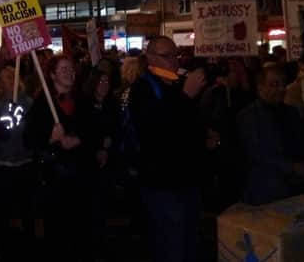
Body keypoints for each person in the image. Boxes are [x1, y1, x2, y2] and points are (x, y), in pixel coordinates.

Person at [129, 36, 207, 262]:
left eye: (176, 55)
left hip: (186, 180)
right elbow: (155, 130)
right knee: (170, 246)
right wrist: (186, 96)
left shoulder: (174, 83)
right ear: (151, 58)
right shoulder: (142, 89)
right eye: (167, 56)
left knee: (189, 243)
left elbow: (184, 125)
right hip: (162, 185)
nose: (174, 61)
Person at [24, 55, 91, 262]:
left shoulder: (82, 100)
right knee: (57, 233)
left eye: (71, 69)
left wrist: (79, 139)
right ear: (52, 75)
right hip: (54, 180)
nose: (69, 72)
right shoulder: (42, 105)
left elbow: (94, 130)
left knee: (81, 231)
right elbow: (29, 141)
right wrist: (50, 138)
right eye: (63, 69)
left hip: (80, 177)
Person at [237, 65, 304, 205]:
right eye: (274, 85)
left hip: (294, 187)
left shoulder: (291, 112)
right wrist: (291, 167)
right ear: (260, 87)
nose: (281, 89)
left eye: (283, 84)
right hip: (265, 189)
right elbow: (256, 152)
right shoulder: (248, 116)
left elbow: (302, 141)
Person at [0, 66, 35, 260]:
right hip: (5, 163)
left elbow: (32, 131)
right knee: (3, 209)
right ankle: (4, 246)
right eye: (5, 78)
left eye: (13, 78)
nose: (10, 81)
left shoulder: (28, 102)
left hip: (25, 160)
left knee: (26, 208)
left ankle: (30, 245)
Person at [199, 58, 255, 211]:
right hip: (223, 152)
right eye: (236, 73)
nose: (239, 76)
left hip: (237, 151)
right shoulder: (215, 94)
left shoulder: (241, 94)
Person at [78, 68, 120, 261]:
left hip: (108, 162)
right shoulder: (85, 105)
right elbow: (84, 131)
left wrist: (110, 142)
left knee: (103, 204)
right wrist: (97, 146)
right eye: (100, 81)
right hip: (89, 162)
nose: (104, 85)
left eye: (106, 82)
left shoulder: (112, 103)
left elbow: (118, 128)